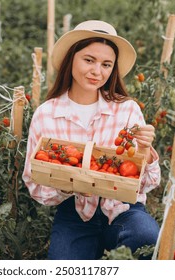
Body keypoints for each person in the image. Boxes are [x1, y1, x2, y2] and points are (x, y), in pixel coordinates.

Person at [22, 20, 161, 260]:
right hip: (74, 213)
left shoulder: (127, 110)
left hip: (122, 210)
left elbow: (147, 184)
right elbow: (33, 183)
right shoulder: (47, 114)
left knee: (147, 237)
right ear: (71, 59)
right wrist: (67, 183)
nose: (98, 71)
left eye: (106, 64)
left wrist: (145, 151)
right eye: (89, 60)